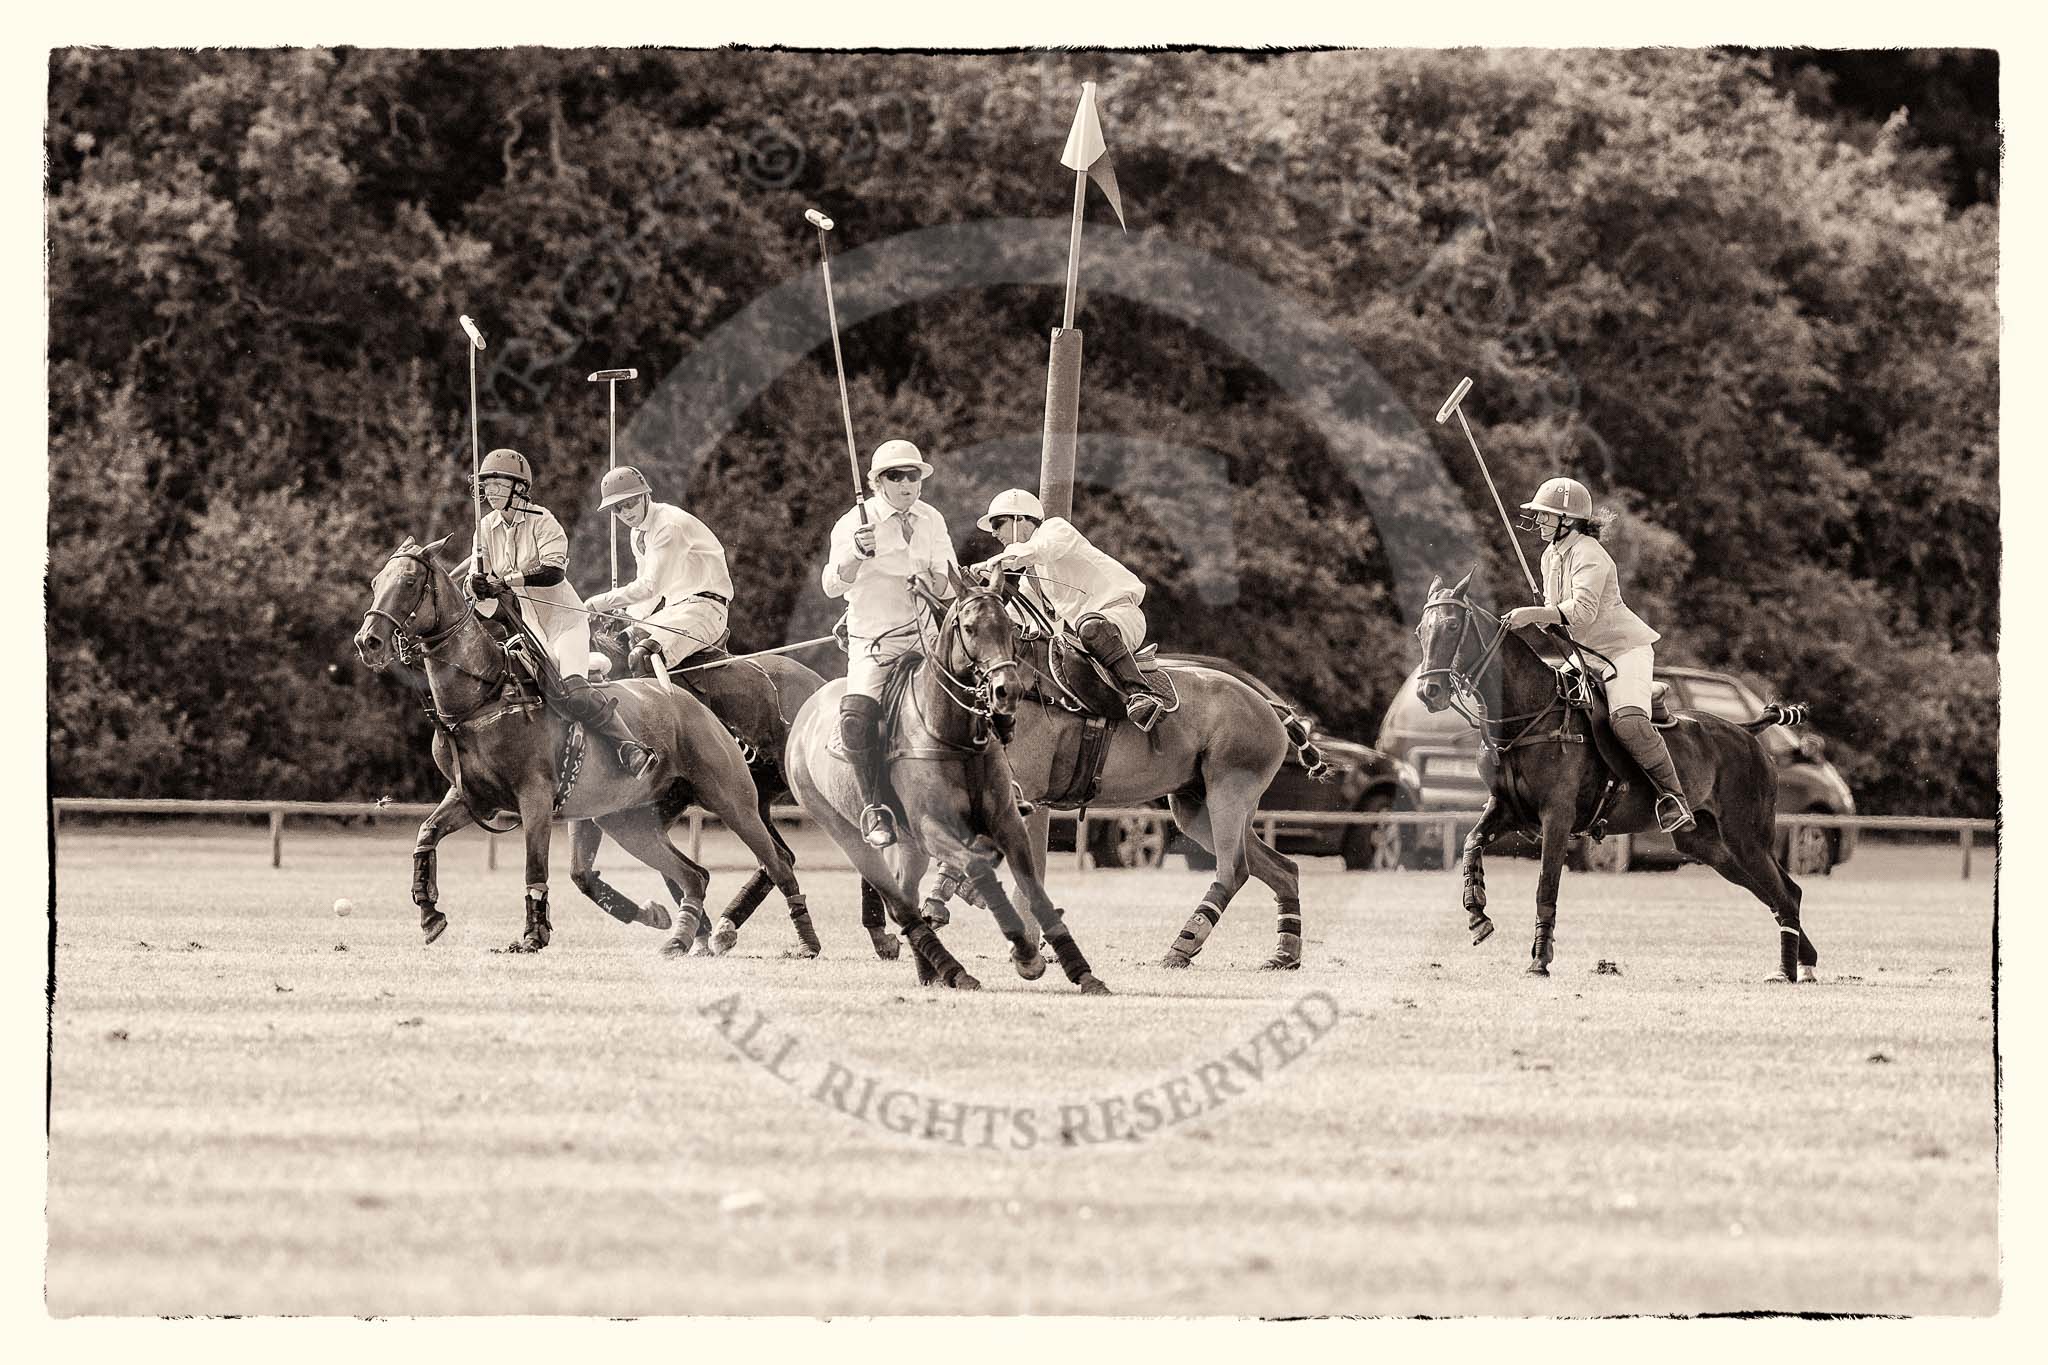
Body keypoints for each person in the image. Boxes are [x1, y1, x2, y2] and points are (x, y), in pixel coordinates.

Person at [1501, 476, 1694, 833]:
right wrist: (1547, 616)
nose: (1540, 521)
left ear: (1568, 520)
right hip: (1586, 653)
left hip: (1624, 651)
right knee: (1554, 706)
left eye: (1547, 515)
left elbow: (1582, 612)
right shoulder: (1551, 556)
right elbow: (1560, 613)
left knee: (1627, 722)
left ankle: (1672, 798)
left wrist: (1534, 615)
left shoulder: (1591, 554)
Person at [469, 447, 655, 780]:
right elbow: (479, 586)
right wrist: (477, 587)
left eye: (498, 484)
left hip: (566, 622)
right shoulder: (484, 528)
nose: (490, 492)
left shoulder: (543, 521)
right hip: (529, 627)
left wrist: (506, 580)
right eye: (487, 485)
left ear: (519, 488)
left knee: (573, 691)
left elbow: (552, 571)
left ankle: (630, 747)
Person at [821, 439, 960, 848]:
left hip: (925, 638)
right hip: (874, 639)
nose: (905, 483)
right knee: (856, 715)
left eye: (912, 475)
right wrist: (855, 555)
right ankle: (873, 807)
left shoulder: (931, 519)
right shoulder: (854, 523)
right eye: (895, 476)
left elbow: (947, 579)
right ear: (877, 482)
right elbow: (831, 584)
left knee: (978, 694)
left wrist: (930, 583)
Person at [973, 488, 1165, 731]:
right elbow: (1015, 618)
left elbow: (1038, 549)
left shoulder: (1055, 530)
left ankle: (1141, 694)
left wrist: (995, 563)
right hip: (1088, 635)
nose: (994, 533)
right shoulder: (1032, 576)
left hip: (1119, 617)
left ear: (1019, 519)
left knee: (1091, 627)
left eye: (998, 523)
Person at [584, 465, 734, 675]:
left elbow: (650, 587)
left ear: (645, 496)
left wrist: (596, 603)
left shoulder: (668, 525)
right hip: (672, 611)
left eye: (630, 502)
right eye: (617, 508)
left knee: (644, 657)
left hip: (705, 610)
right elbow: (647, 597)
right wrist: (628, 617)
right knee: (618, 647)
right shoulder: (638, 534)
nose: (625, 512)